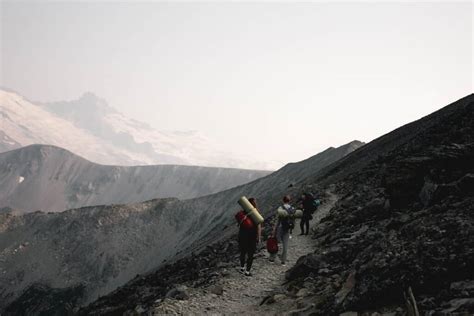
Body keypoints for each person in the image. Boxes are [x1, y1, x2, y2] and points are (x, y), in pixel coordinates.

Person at [237, 197, 262, 276]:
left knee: (243, 252)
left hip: (242, 235)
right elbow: (259, 226)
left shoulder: (243, 212)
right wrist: (259, 237)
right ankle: (247, 271)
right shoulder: (256, 214)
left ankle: (242, 267)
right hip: (252, 235)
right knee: (250, 254)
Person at [270, 195, 295, 266]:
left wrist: (274, 230)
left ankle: (272, 258)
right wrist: (291, 230)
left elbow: (278, 220)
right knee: (285, 245)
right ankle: (283, 261)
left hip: (280, 228)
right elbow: (293, 220)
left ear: (283, 200)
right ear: (289, 201)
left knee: (276, 243)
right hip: (287, 229)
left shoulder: (280, 208)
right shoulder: (292, 208)